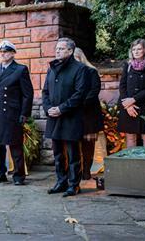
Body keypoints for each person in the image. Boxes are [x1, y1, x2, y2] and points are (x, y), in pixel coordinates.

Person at [42, 37, 87, 197]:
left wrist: (61, 109)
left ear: (70, 51)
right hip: (53, 117)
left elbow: (79, 94)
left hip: (70, 117)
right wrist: (48, 109)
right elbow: (45, 92)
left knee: (73, 154)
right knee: (58, 154)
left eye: (61, 48)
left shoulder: (80, 69)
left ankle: (74, 184)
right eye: (57, 48)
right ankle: (61, 182)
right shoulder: (52, 68)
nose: (57, 51)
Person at [0, 41, 33, 186]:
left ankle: (19, 176)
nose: (3, 54)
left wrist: (24, 114)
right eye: (1, 52)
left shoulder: (20, 69)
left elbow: (28, 94)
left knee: (15, 145)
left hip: (13, 113)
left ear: (13, 53)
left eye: (6, 52)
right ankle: (0, 174)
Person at [118, 39, 145, 148]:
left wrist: (134, 99)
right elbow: (122, 85)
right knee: (130, 136)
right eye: (134, 49)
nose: (136, 52)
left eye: (139, 49)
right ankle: (131, 163)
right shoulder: (127, 65)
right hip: (128, 106)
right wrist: (128, 104)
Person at [74, 47, 103, 180]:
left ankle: (86, 170)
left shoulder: (91, 72)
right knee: (74, 142)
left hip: (89, 112)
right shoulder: (70, 73)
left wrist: (79, 103)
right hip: (73, 113)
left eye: (75, 58)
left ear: (80, 58)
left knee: (88, 142)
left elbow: (94, 91)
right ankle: (76, 170)